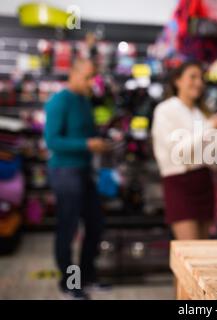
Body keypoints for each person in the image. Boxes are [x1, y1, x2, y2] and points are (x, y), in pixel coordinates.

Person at [44, 58, 109, 300]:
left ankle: (87, 277)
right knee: (68, 228)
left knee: (95, 224)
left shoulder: (84, 101)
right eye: (88, 76)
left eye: (94, 77)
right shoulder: (60, 101)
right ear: (73, 73)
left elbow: (87, 133)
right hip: (64, 171)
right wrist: (86, 144)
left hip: (83, 170)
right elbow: (52, 141)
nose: (92, 82)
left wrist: (100, 140)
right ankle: (69, 283)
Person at [152, 61, 217, 240]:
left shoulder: (200, 113)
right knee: (189, 250)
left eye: (201, 78)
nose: (199, 82)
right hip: (180, 183)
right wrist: (211, 127)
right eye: (192, 77)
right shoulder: (165, 110)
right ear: (177, 80)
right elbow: (177, 152)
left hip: (204, 182)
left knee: (202, 250)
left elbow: (214, 153)